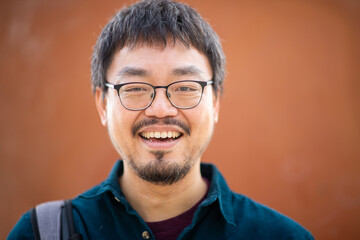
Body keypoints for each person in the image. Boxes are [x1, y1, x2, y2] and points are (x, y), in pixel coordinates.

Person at [8, 0, 314, 239]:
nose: (161, 109)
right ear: (103, 104)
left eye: (184, 88)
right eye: (136, 89)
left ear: (216, 102)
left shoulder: (282, 236)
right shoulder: (43, 233)